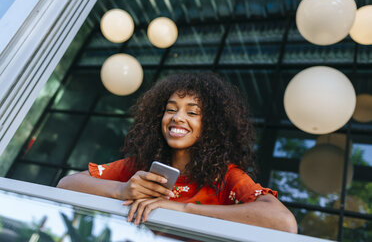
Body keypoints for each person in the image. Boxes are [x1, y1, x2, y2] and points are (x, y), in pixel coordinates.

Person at [57, 72, 297, 233]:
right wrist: (121, 190)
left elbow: (283, 222)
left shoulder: (226, 178)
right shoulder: (140, 167)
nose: (177, 118)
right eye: (171, 110)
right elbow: (66, 184)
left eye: (192, 113)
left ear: (212, 125)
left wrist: (183, 209)